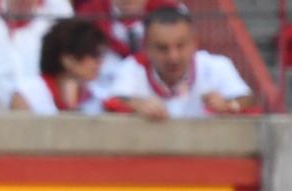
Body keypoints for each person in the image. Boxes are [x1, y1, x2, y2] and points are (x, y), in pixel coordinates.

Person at [104, 3, 252, 119]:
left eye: (180, 46)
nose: (173, 57)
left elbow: (248, 99)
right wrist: (137, 105)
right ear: (147, 48)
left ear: (194, 43)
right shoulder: (133, 67)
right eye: (163, 48)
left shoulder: (216, 66)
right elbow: (110, 103)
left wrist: (229, 105)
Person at [10, 17, 108, 112]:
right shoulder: (28, 95)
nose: (100, 62)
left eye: (102, 55)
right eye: (94, 55)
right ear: (67, 59)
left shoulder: (96, 99)